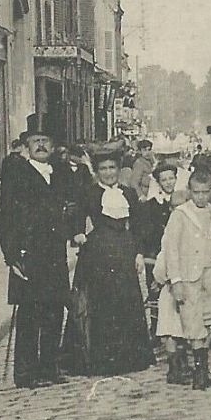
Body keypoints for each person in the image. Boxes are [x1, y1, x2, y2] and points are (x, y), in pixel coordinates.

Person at [0, 117, 77, 389]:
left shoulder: (60, 173)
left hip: (54, 254)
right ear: (27, 145)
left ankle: (50, 367)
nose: (41, 145)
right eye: (35, 141)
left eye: (46, 140)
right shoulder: (18, 174)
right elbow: (5, 216)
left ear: (53, 146)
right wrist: (12, 256)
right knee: (30, 314)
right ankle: (26, 373)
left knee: (55, 310)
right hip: (28, 254)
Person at [65, 150, 156, 376]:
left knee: (126, 299)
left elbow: (138, 225)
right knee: (101, 302)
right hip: (99, 251)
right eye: (103, 169)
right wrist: (77, 233)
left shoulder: (128, 193)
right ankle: (102, 360)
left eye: (112, 168)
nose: (108, 173)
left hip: (124, 249)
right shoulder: (89, 193)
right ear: (97, 172)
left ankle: (130, 357)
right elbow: (75, 217)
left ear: (118, 170)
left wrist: (138, 253)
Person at [152, 167, 211, 390]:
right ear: (189, 191)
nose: (201, 197)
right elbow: (171, 250)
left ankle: (203, 370)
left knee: (209, 322)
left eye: (205, 192)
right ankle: (199, 374)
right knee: (193, 324)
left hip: (210, 276)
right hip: (188, 278)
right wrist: (176, 281)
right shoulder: (180, 215)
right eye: (196, 192)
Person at [132, 160, 177, 340]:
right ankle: (156, 330)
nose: (168, 183)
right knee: (156, 291)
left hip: (178, 254)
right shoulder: (151, 205)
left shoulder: (183, 201)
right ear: (158, 182)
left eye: (171, 178)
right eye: (164, 180)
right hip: (157, 253)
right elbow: (144, 232)